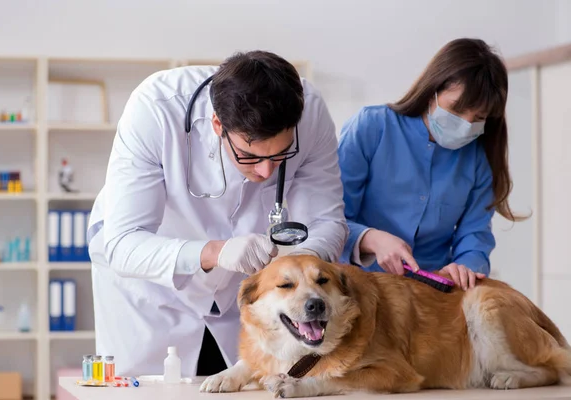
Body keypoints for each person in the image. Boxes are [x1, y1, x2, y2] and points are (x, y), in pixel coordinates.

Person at [86, 51, 347, 379]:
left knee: (244, 383)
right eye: (250, 155)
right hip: (151, 287)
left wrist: (300, 264)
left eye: (281, 154)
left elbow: (328, 222)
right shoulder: (155, 109)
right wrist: (215, 251)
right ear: (217, 125)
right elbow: (124, 245)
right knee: (149, 388)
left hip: (243, 289)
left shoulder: (311, 113)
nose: (266, 171)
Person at [338, 38, 525, 290]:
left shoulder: (477, 159)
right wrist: (370, 239)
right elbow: (330, 218)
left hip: (433, 295)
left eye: (478, 118)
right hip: (360, 285)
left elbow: (475, 235)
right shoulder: (371, 127)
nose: (466, 124)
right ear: (432, 91)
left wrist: (466, 266)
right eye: (457, 110)